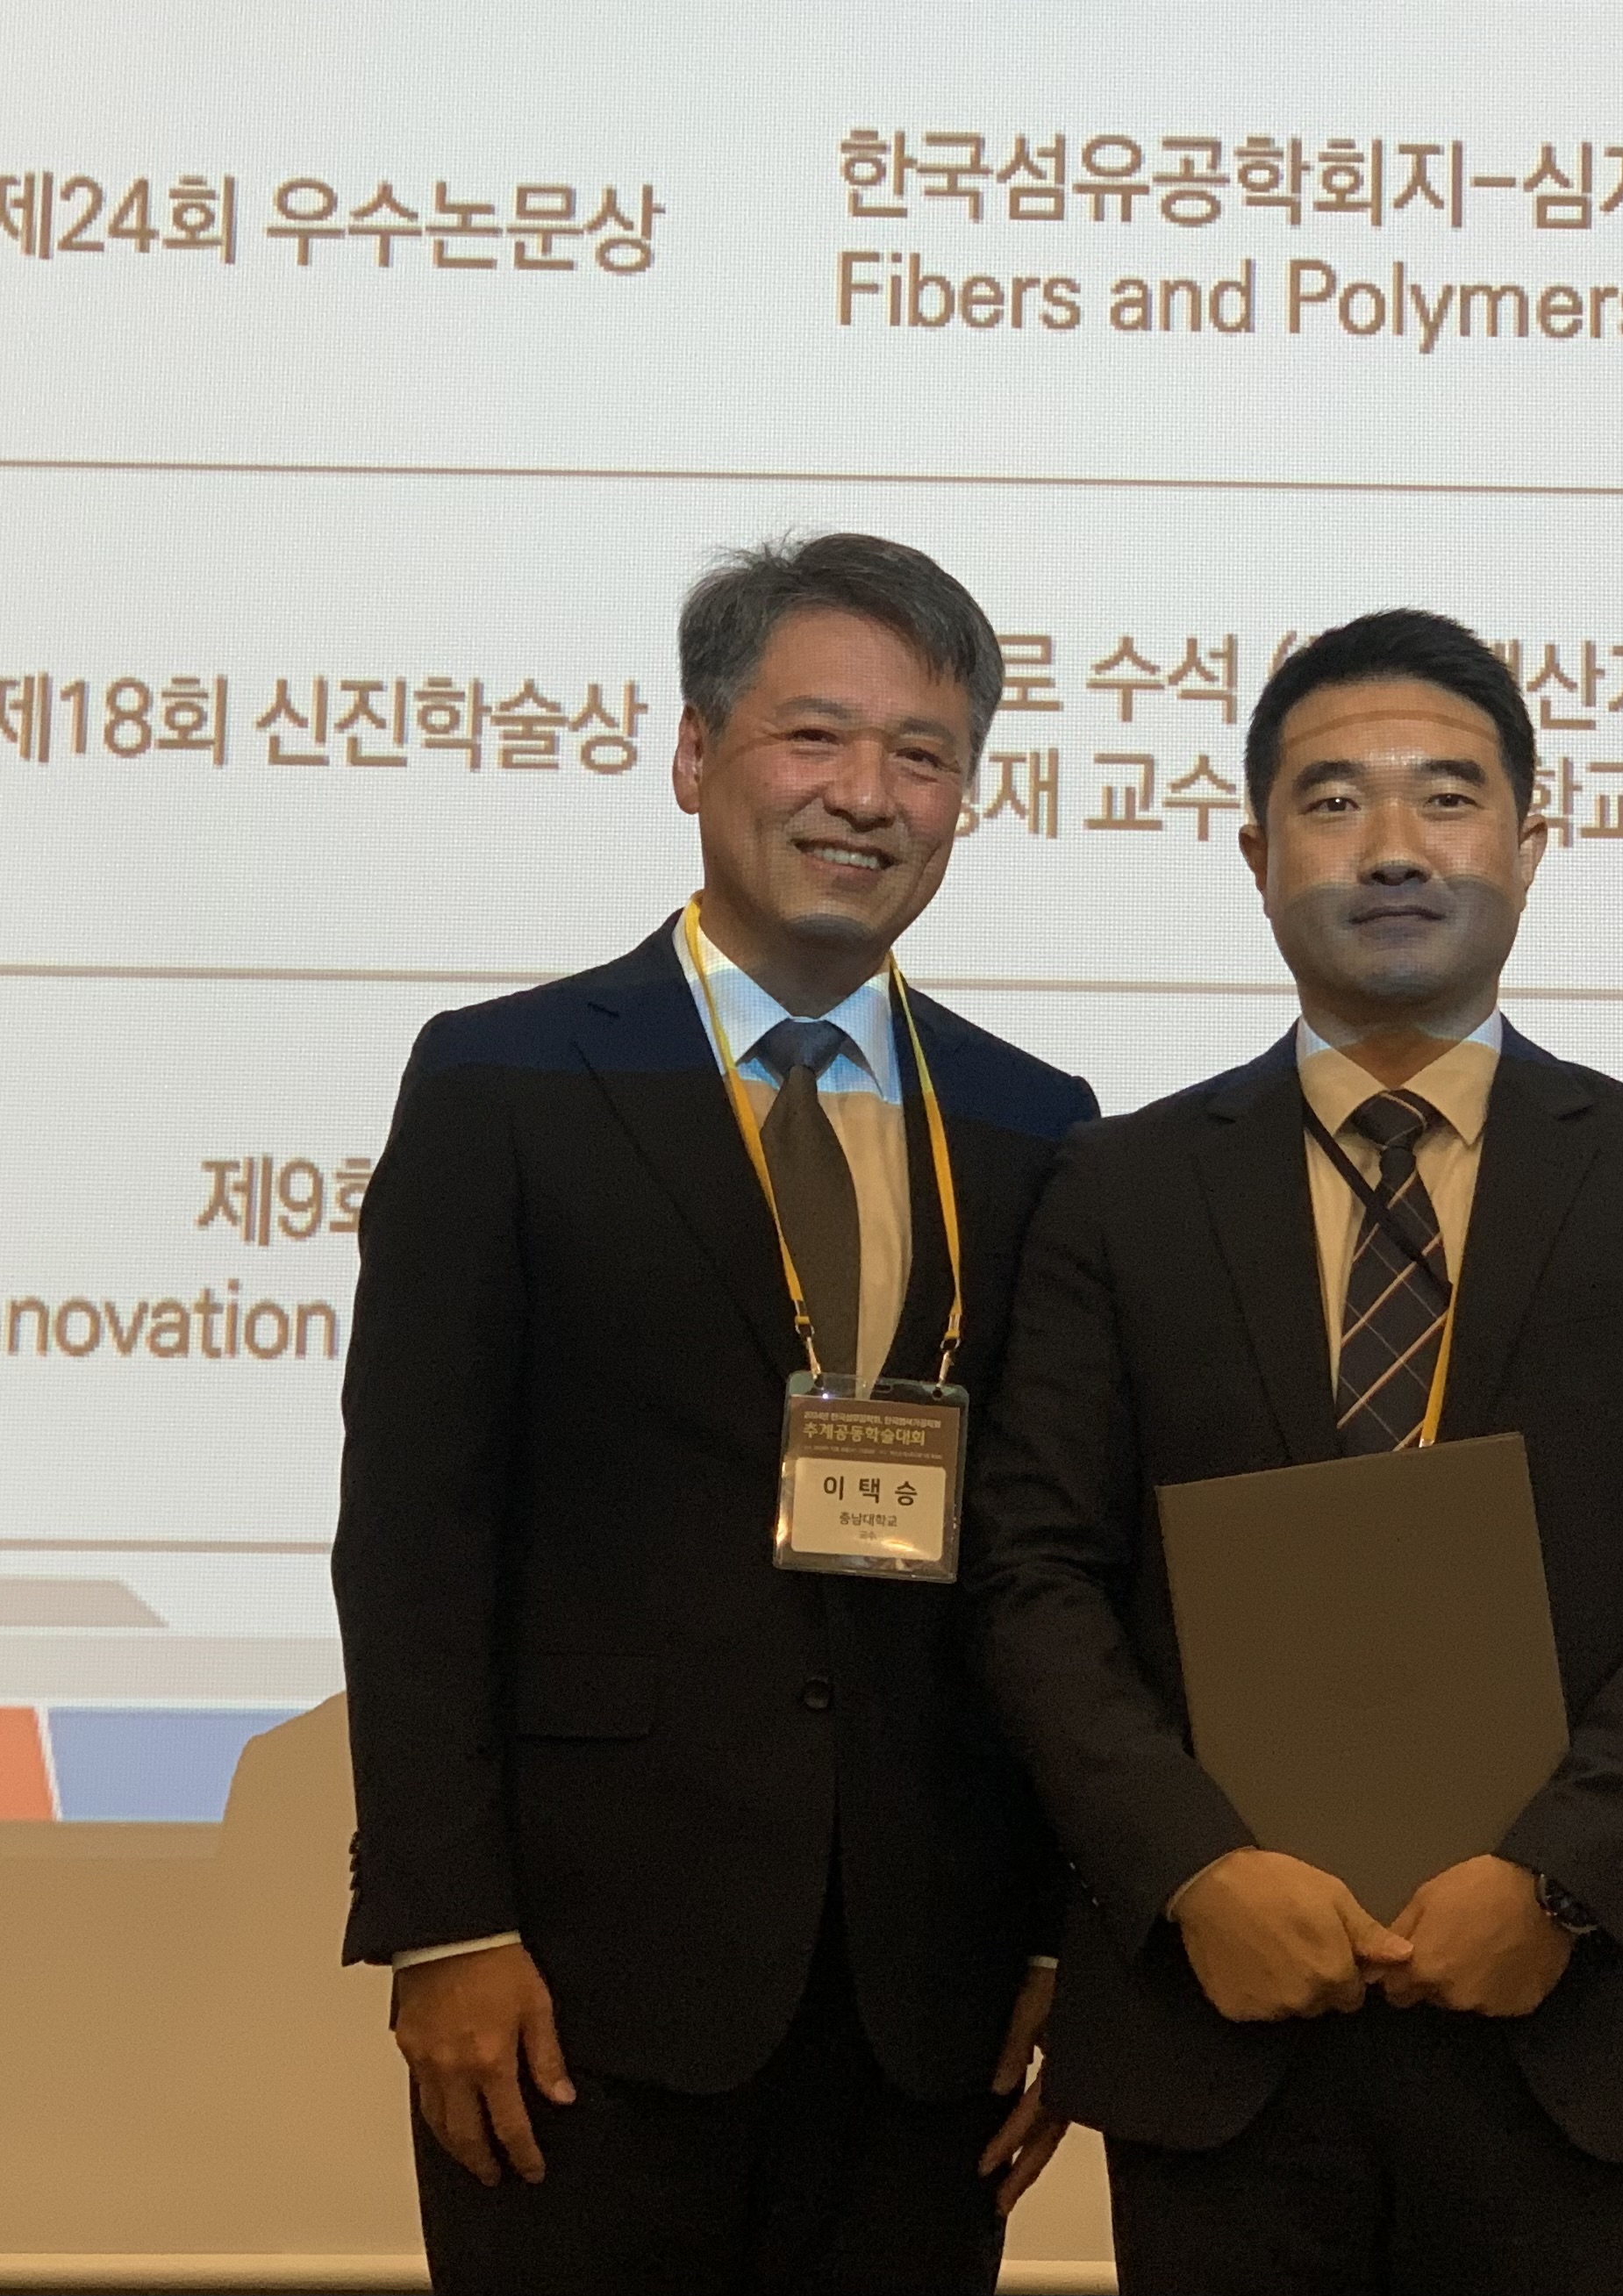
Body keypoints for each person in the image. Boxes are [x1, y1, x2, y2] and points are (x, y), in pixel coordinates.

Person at [968, 608, 1623, 2294]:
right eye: (1330, 799)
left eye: (1445, 796)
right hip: (1218, 2012)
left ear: (1529, 841)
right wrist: (1193, 1869)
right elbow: (1032, 1577)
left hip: (1562, 2017)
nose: (1389, 846)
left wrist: (1555, 1880)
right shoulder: (1121, 1188)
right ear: (1253, 854)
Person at [332, 533, 1093, 2295]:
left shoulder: (1031, 1121)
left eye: (921, 755)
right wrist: (444, 1921)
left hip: (926, 1996)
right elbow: (416, 1531)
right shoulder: (506, 1080)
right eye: (812, 735)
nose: (866, 795)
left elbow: (1059, 1560)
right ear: (692, 752)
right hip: (574, 1981)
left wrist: (1067, 1939)